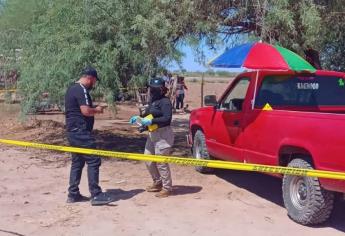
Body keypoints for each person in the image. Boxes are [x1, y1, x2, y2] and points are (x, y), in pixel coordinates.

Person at [64, 66, 113, 206]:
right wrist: (97, 110)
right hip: (80, 132)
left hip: (72, 131)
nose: (94, 84)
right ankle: (96, 195)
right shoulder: (81, 89)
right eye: (95, 81)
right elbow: (85, 111)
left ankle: (73, 194)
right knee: (93, 160)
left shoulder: (72, 88)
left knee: (77, 162)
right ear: (90, 78)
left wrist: (95, 107)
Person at [129, 77, 174, 198]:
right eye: (151, 88)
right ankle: (157, 182)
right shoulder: (153, 101)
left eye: (155, 89)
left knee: (161, 162)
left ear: (162, 89)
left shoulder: (165, 102)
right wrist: (140, 121)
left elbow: (167, 119)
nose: (152, 91)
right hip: (152, 134)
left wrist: (151, 121)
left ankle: (167, 188)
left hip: (163, 135)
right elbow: (146, 115)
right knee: (148, 159)